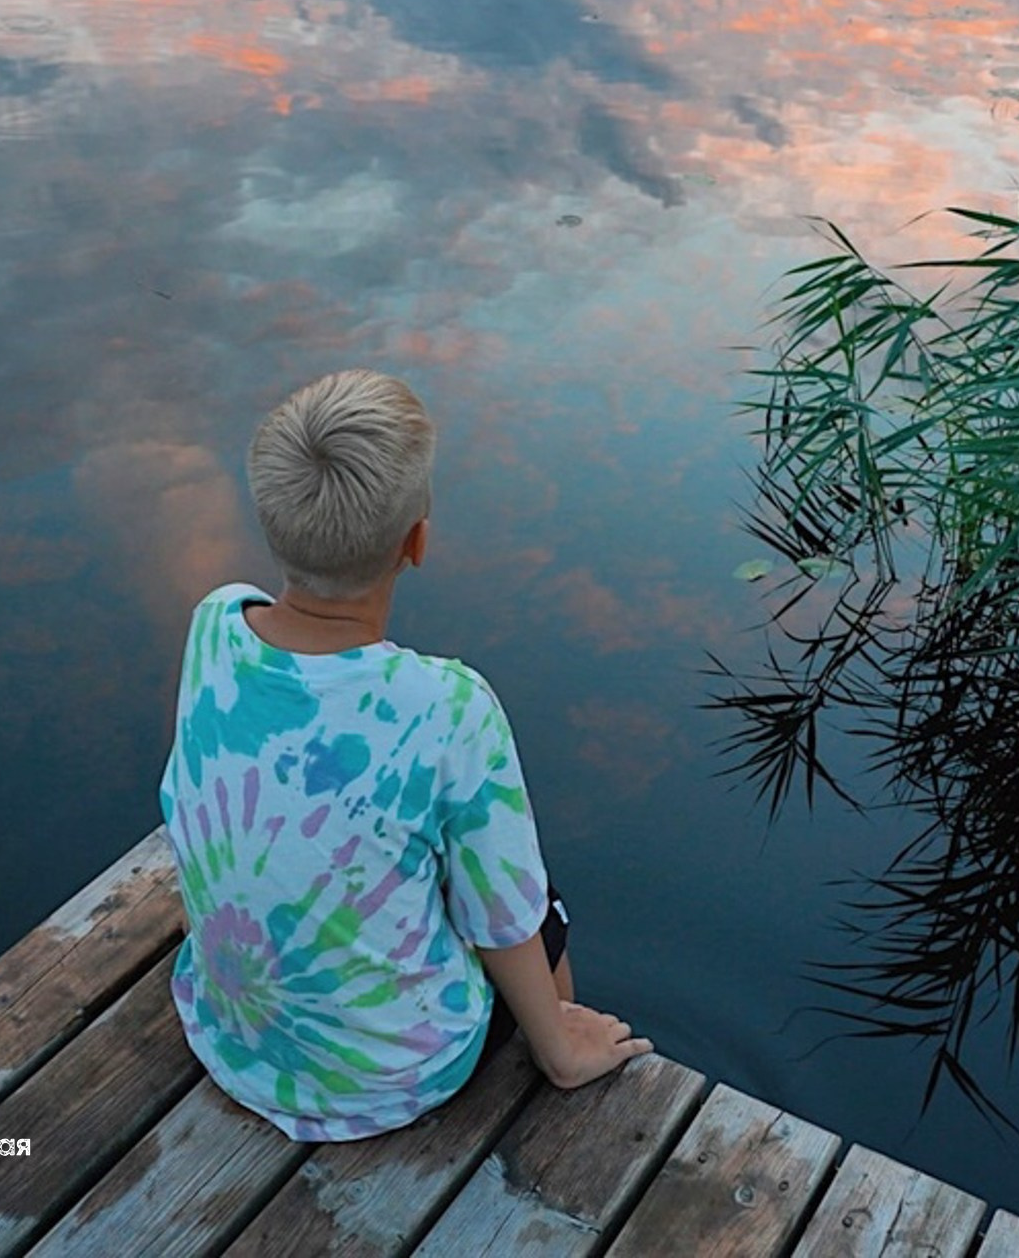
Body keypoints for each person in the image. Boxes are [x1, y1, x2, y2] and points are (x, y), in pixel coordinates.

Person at [157, 368, 651, 1142]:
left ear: (270, 525)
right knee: (531, 901)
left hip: (233, 1036)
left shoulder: (215, 621)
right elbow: (502, 915)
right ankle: (561, 1049)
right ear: (416, 542)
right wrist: (551, 1037)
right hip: (395, 1077)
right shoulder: (450, 707)